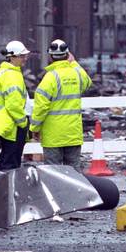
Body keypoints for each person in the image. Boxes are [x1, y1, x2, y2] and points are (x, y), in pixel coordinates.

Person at [31, 39, 92, 173]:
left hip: (53, 136)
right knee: (75, 174)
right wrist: (74, 63)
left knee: (53, 174)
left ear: (51, 57)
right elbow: (87, 82)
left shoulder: (49, 78)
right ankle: (76, 195)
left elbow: (41, 106)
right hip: (73, 134)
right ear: (67, 54)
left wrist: (35, 127)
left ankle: (57, 195)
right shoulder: (77, 74)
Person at [0, 40, 31, 171]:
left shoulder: (4, 72)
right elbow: (14, 105)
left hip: (5, 125)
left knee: (6, 161)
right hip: (13, 126)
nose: (25, 59)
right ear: (12, 57)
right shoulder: (12, 75)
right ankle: (9, 190)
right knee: (11, 165)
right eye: (22, 56)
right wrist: (23, 123)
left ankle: (4, 189)